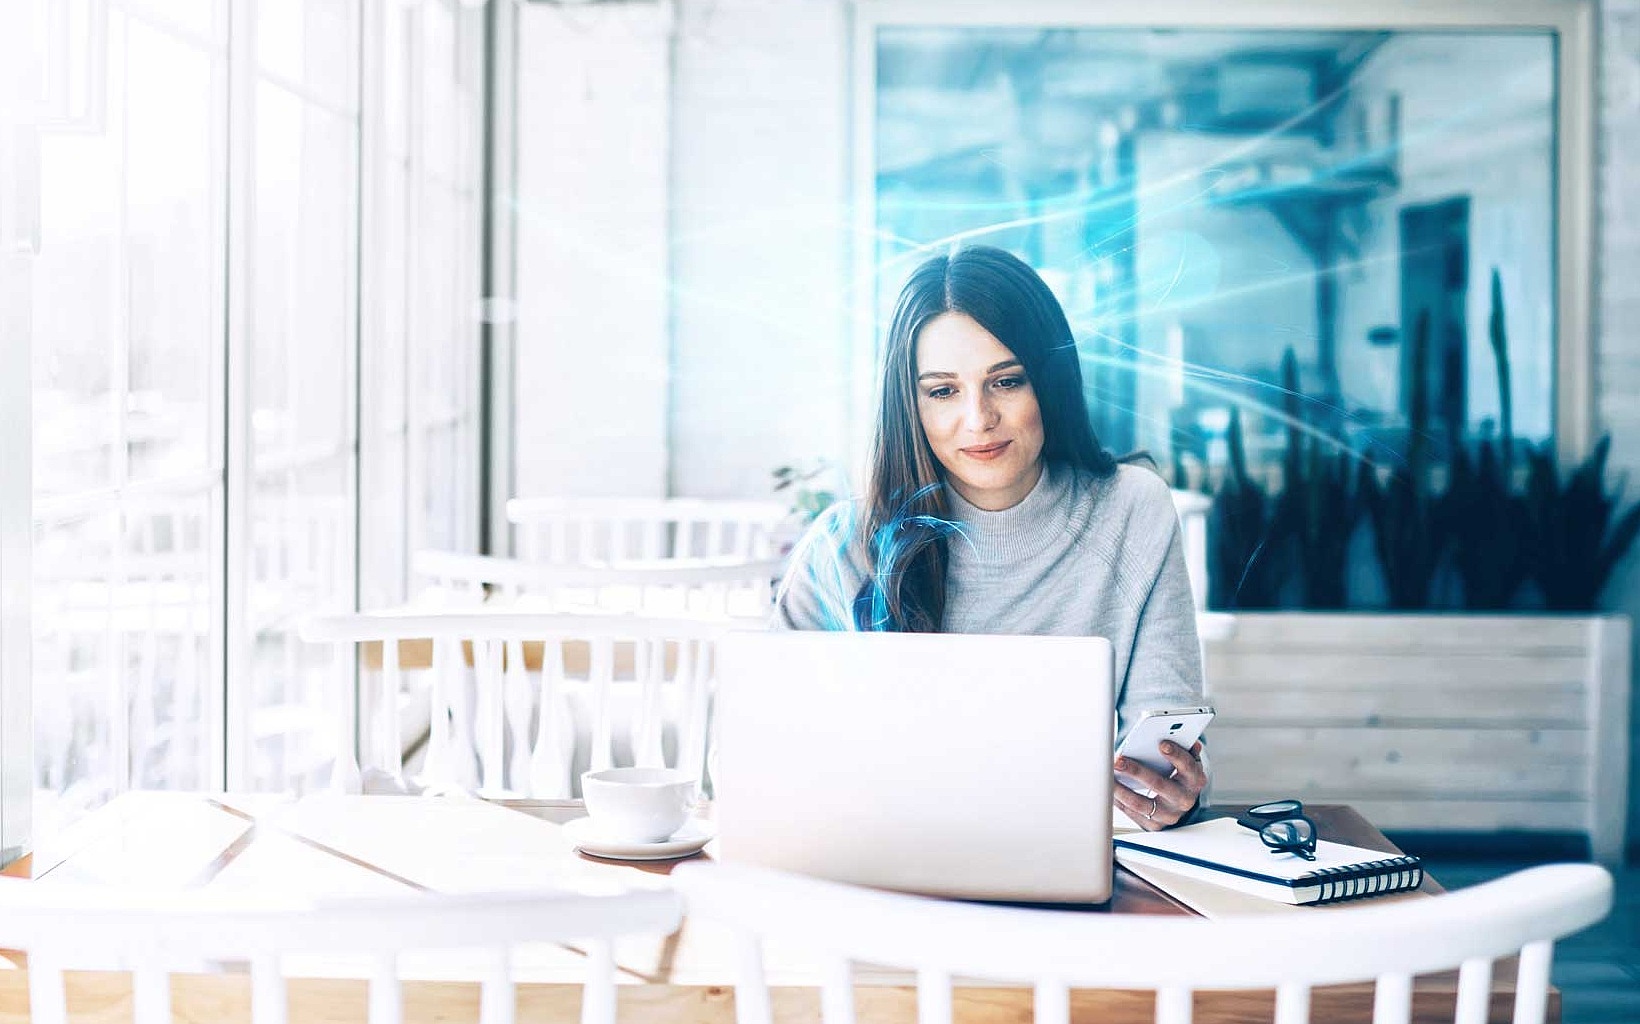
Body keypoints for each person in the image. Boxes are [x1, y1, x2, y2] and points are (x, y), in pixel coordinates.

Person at [776, 245, 1208, 830]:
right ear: (910, 404)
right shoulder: (844, 544)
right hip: (880, 862)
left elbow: (1164, 748)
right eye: (943, 391)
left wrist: (1171, 797)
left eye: (1006, 381)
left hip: (1069, 867)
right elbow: (747, 760)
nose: (978, 419)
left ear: (1048, 384)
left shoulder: (1132, 510)